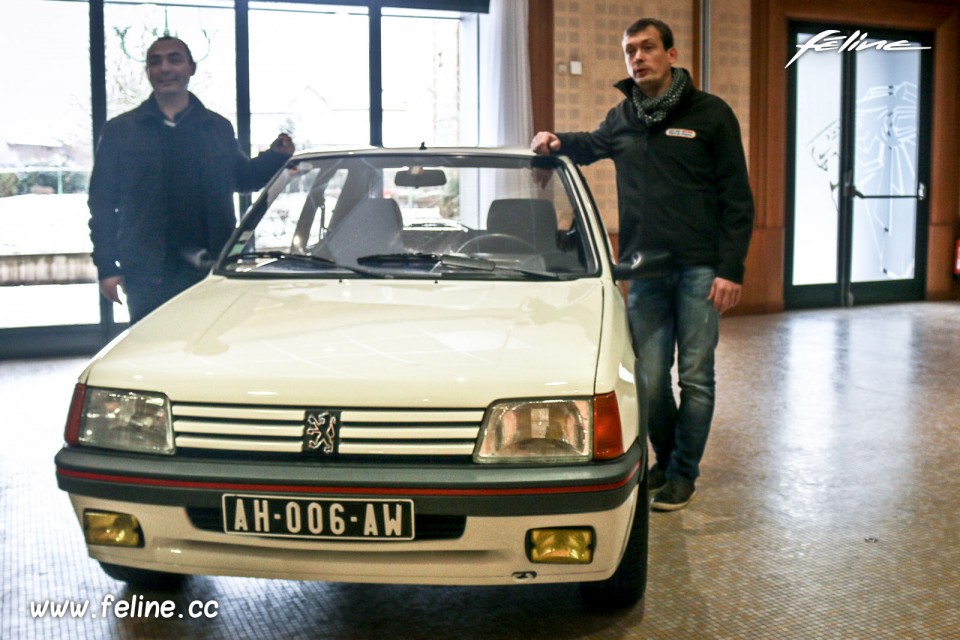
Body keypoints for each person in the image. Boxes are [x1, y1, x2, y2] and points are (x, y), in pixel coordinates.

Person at [532, 18, 754, 511]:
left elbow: (737, 199)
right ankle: (668, 459)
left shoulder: (711, 114)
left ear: (672, 55)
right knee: (649, 380)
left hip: (701, 267)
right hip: (645, 269)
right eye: (630, 49)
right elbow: (589, 145)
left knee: (695, 377)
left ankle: (682, 475)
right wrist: (554, 142)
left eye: (648, 47)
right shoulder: (623, 117)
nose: (638, 57)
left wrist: (731, 268)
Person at [88, 35, 295, 324]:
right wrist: (107, 267)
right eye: (155, 62)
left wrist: (275, 156)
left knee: (214, 351)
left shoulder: (217, 128)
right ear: (148, 72)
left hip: (212, 269)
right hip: (148, 274)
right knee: (153, 354)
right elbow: (101, 204)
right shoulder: (120, 132)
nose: (165, 68)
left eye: (174, 59)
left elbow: (241, 179)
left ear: (191, 68)